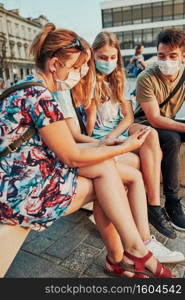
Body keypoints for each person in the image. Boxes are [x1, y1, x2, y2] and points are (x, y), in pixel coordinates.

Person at [0, 23, 174, 278]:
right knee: (109, 183)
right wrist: (124, 146)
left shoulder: (30, 87)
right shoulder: (40, 96)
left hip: (20, 175)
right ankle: (131, 252)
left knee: (108, 172)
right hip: (17, 192)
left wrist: (108, 145)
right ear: (55, 64)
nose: (78, 74)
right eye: (73, 68)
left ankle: (127, 253)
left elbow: (63, 147)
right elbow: (71, 155)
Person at [85, 31, 176, 239]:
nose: (108, 62)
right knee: (140, 159)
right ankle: (127, 214)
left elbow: (127, 118)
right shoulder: (86, 82)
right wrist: (92, 107)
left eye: (112, 57)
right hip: (97, 136)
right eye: (103, 57)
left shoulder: (119, 80)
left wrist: (115, 136)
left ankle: (153, 205)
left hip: (118, 131)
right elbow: (88, 129)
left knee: (150, 133)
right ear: (93, 56)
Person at [135, 28, 185, 232]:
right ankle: (172, 203)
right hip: (146, 123)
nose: (166, 61)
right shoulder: (146, 77)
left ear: (183, 56)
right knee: (172, 138)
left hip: (169, 120)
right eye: (161, 55)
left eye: (173, 56)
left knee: (173, 132)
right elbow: (155, 119)